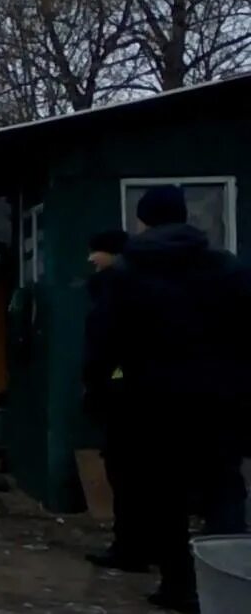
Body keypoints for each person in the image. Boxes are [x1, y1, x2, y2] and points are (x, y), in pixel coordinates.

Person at [87, 186, 251, 612]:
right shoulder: (226, 268)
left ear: (143, 221)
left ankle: (179, 586)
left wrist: (104, 389)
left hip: (152, 404)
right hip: (220, 401)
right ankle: (233, 582)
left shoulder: (127, 272)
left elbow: (106, 344)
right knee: (224, 490)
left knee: (165, 495)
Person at [79, 229, 140, 572]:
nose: (91, 259)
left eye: (97, 251)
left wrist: (103, 383)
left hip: (124, 393)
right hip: (147, 391)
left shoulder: (115, 290)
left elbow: (107, 350)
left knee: (126, 471)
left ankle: (129, 546)